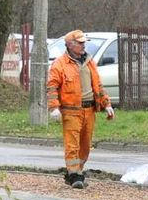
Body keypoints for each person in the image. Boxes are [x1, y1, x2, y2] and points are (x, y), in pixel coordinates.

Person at [47, 29, 114, 189]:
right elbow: (52, 87)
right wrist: (54, 107)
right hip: (71, 111)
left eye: (84, 43)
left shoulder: (89, 62)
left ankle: (76, 172)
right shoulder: (60, 64)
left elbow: (98, 86)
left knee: (85, 146)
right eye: (80, 43)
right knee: (72, 145)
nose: (84, 45)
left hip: (89, 110)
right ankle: (74, 174)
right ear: (70, 45)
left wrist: (107, 104)